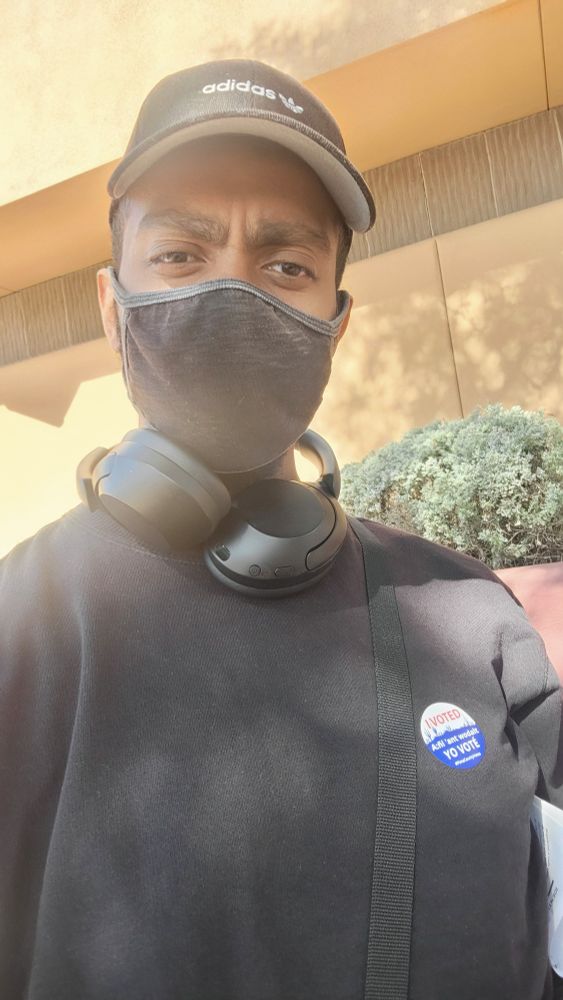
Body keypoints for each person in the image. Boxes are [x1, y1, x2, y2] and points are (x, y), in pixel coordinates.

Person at [1, 58, 562, 1000]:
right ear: (111, 307)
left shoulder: (466, 610)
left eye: (286, 264)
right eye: (180, 255)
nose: (233, 289)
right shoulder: (21, 624)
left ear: (334, 325)